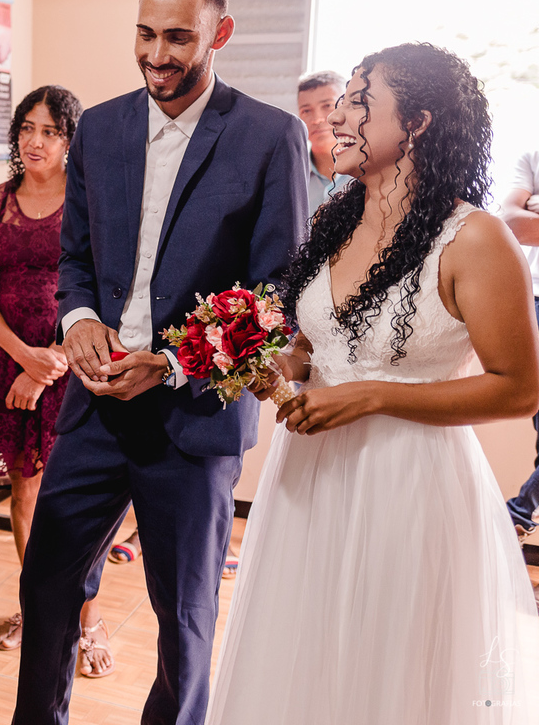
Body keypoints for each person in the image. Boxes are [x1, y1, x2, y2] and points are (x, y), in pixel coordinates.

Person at [12, 0, 308, 725]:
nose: (156, 54)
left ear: (221, 32)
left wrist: (174, 362)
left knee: (184, 619)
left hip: (193, 420)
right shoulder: (101, 128)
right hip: (93, 412)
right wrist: (77, 323)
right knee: (45, 585)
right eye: (144, 33)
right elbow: (75, 259)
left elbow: (279, 296)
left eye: (178, 37)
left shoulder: (269, 138)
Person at [207, 44, 539, 723]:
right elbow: (313, 346)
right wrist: (277, 364)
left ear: (415, 121)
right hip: (307, 482)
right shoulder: (336, 217)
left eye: (360, 100)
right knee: (301, 660)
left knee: (386, 676)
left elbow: (519, 387)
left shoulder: (475, 239)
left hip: (406, 488)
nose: (336, 117)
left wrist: (377, 395)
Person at [0, 86, 112, 677]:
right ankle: (39, 610)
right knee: (24, 495)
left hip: (74, 364)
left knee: (76, 502)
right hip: (8, 361)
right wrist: (25, 357)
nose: (34, 140)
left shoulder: (91, 203)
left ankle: (89, 619)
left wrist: (51, 362)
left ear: (70, 141)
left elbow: (104, 293)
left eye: (49, 131)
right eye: (27, 128)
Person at [498, 149, 539, 545]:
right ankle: (518, 512)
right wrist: (524, 215)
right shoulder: (531, 154)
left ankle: (518, 512)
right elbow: (511, 221)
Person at [297, 70, 355, 218]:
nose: (316, 119)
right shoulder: (292, 176)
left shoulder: (368, 170)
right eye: (306, 110)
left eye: (328, 105)